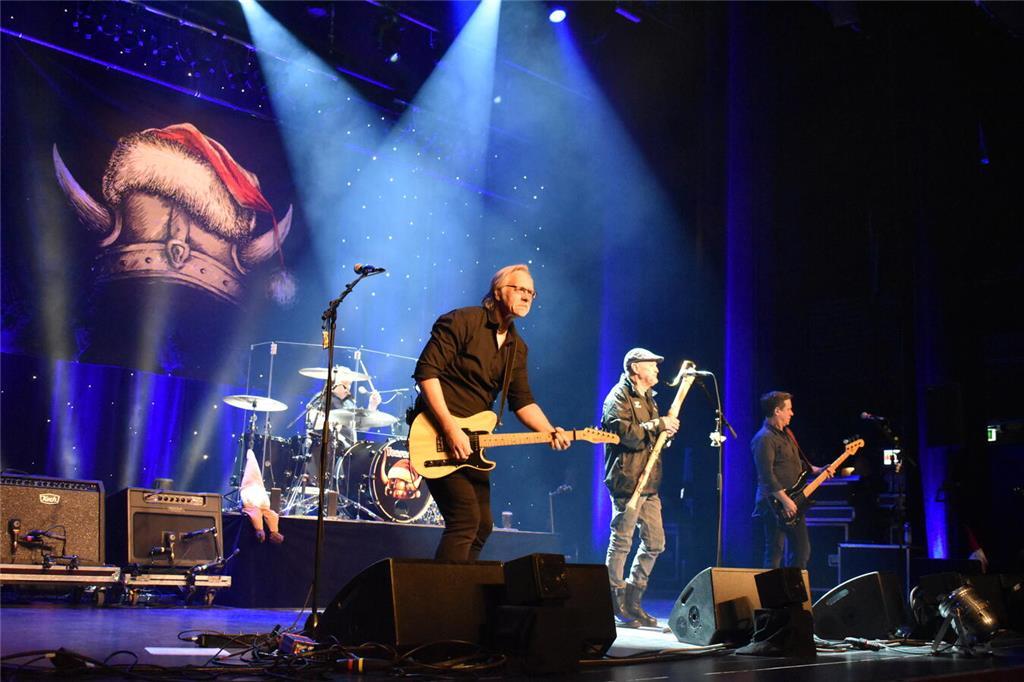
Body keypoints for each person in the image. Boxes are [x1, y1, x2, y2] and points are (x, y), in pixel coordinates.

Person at [411, 264, 571, 560]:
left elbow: (522, 401)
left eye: (531, 293)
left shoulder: (516, 348)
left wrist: (550, 430)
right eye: (520, 289)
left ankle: (459, 593)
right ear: (498, 291)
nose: (527, 297)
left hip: (473, 441)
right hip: (437, 433)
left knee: (483, 525)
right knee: (465, 520)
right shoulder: (462, 321)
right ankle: (441, 601)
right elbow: (426, 373)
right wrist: (450, 428)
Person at [602, 348, 680, 628]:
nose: (658, 369)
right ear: (636, 368)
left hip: (649, 482)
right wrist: (659, 424)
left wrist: (665, 434)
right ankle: (616, 601)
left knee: (656, 542)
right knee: (621, 541)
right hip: (627, 480)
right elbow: (625, 435)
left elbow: (649, 438)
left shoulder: (649, 399)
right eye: (652, 365)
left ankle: (634, 600)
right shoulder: (618, 397)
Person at [751, 391, 830, 569]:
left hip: (793, 501)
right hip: (773, 503)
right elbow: (766, 475)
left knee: (802, 551)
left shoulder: (787, 434)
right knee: (774, 552)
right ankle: (770, 595)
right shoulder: (764, 438)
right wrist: (785, 500)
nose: (791, 413)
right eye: (788, 409)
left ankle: (790, 592)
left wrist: (818, 470)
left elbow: (795, 462)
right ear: (777, 411)